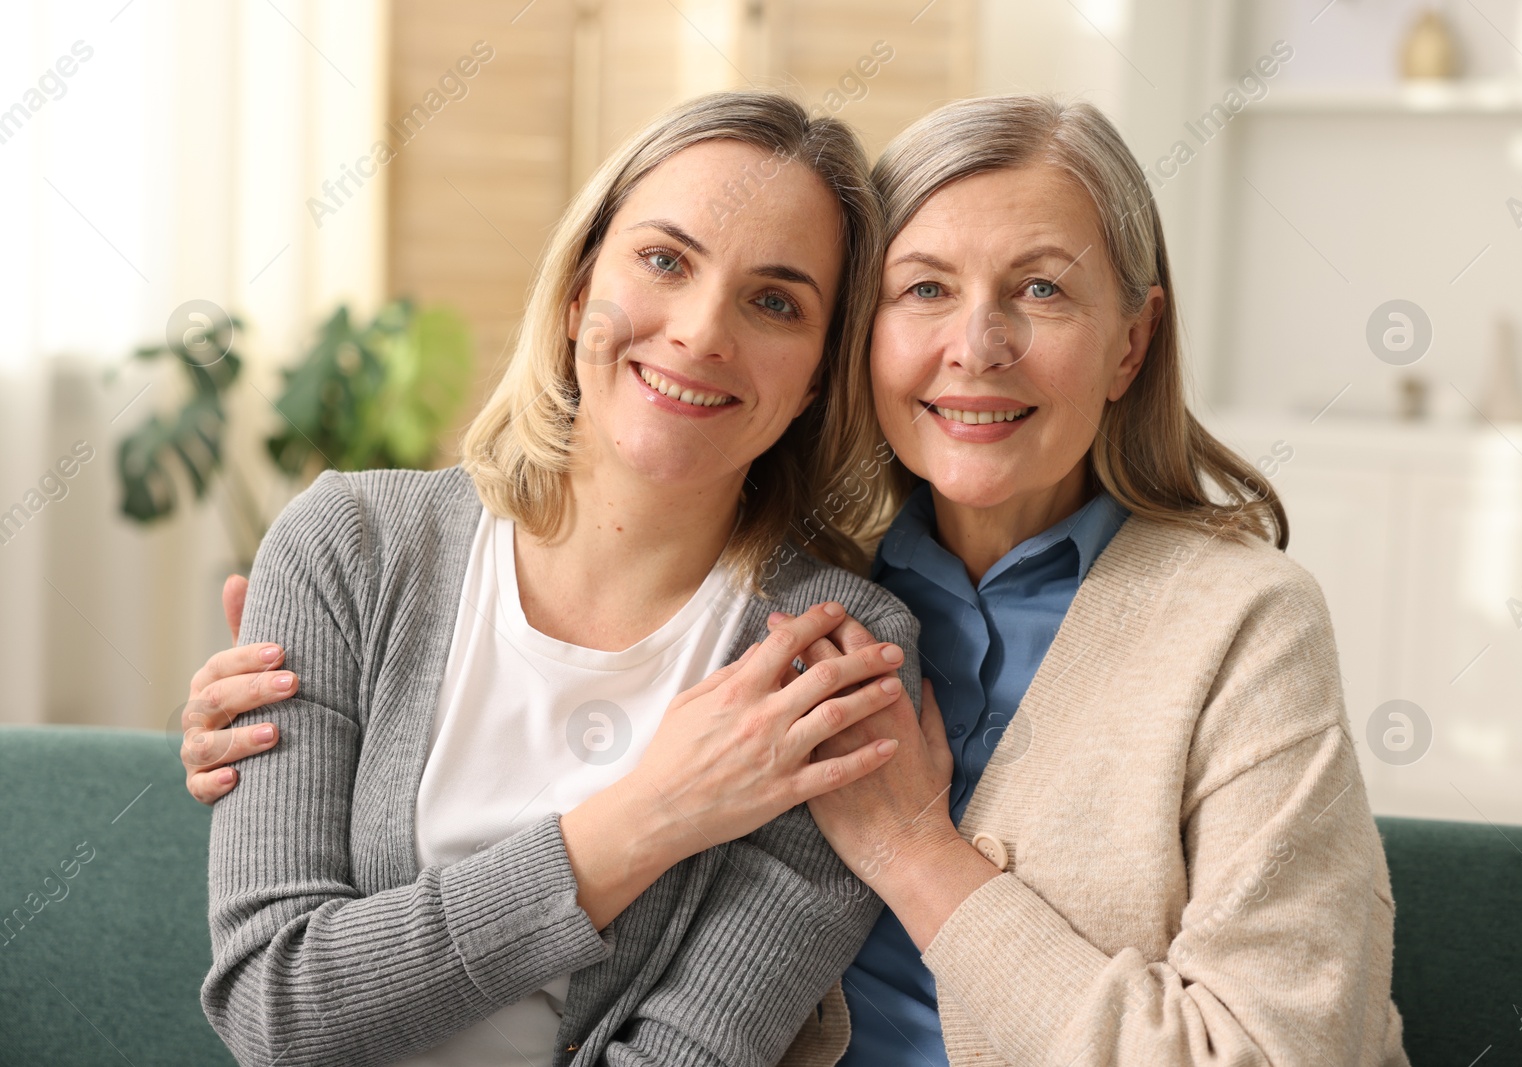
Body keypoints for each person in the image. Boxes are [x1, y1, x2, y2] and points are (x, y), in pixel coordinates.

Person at [189, 95, 1410, 1066]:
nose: (974, 346)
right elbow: (280, 999)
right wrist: (306, 735)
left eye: (1040, 288)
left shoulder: (1200, 625)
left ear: (1130, 341)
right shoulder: (809, 609)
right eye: (922, 288)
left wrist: (917, 853)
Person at [195, 91, 926, 1067]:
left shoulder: (831, 657)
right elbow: (274, 1006)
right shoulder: (348, 546)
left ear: (816, 376)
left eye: (774, 300)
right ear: (582, 289)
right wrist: (641, 819)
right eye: (665, 260)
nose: (702, 332)